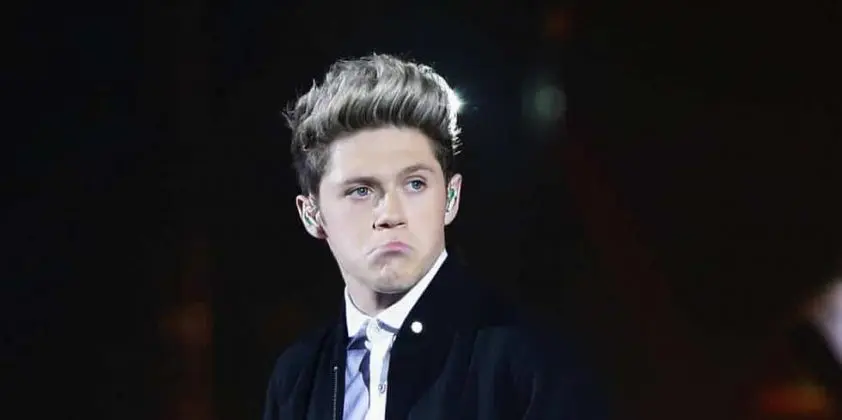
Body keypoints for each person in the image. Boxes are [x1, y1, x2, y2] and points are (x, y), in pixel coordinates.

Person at [262, 53, 605, 420]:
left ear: (451, 198)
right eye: (361, 191)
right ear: (312, 215)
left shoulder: (530, 360)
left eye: (415, 184)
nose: (391, 214)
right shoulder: (296, 378)